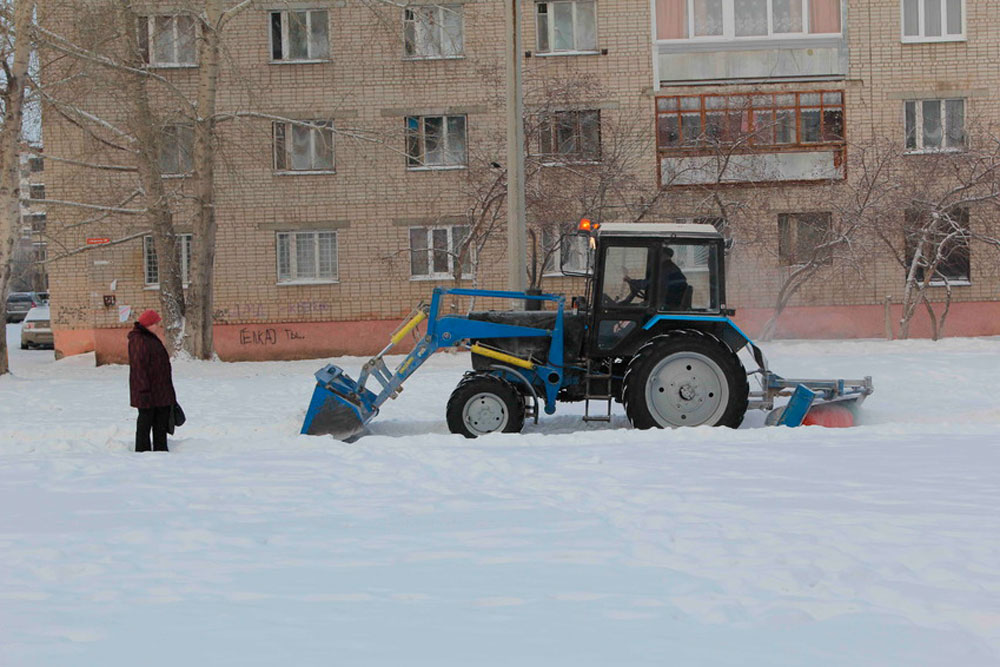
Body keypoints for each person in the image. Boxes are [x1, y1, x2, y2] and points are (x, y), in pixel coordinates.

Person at [128, 309, 176, 453]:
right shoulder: (139, 340)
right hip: (148, 392)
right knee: (145, 422)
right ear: (149, 324)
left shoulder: (148, 337)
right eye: (156, 323)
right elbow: (139, 368)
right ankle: (142, 452)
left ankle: (160, 451)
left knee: (160, 422)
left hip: (159, 391)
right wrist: (143, 391)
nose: (158, 326)